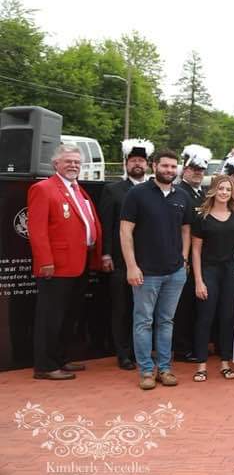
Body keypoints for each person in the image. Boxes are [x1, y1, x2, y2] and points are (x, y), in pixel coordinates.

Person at [29, 144, 103, 380]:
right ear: (56, 164)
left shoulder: (78, 189)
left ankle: (60, 359)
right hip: (56, 266)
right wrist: (45, 262)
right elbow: (37, 230)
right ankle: (45, 366)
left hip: (78, 264)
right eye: (68, 161)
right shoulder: (43, 189)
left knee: (69, 316)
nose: (73, 165)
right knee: (51, 318)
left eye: (77, 162)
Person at [120, 149, 192, 390]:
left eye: (174, 167)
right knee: (143, 322)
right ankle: (147, 372)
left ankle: (164, 369)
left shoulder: (181, 196)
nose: (170, 170)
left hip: (175, 273)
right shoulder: (136, 194)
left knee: (166, 321)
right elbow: (125, 231)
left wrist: (183, 259)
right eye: (165, 166)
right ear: (154, 166)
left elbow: (186, 229)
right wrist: (131, 266)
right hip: (146, 272)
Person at [98, 139, 152, 371]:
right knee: (122, 308)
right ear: (126, 164)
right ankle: (123, 353)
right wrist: (106, 254)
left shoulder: (153, 190)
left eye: (141, 161)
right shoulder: (113, 190)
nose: (137, 164)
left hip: (149, 260)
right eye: (133, 161)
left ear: (147, 165)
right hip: (121, 260)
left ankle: (141, 349)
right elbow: (106, 224)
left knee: (144, 310)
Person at [190, 175, 234, 382]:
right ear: (214, 190)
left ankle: (225, 363)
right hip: (208, 272)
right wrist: (198, 280)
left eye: (228, 190)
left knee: (228, 318)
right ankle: (201, 365)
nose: (224, 193)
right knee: (205, 318)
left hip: (231, 273)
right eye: (221, 188)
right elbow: (195, 251)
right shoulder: (202, 217)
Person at [174, 143, 212, 362]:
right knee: (184, 306)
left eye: (201, 170)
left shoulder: (203, 193)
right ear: (184, 169)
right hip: (186, 256)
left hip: (202, 256)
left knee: (196, 305)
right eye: (194, 169)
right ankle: (181, 347)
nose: (198, 173)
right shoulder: (180, 192)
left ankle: (193, 344)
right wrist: (184, 258)